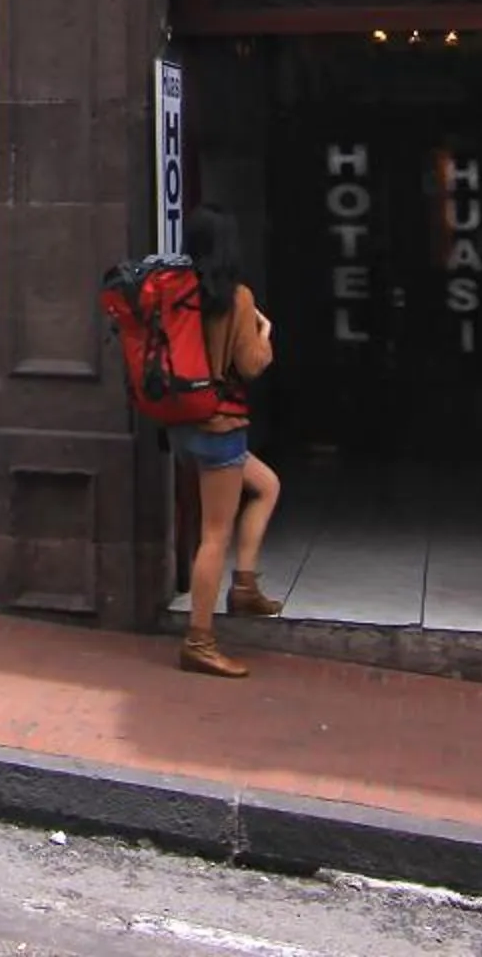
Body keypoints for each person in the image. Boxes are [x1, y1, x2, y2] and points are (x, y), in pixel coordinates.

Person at [176, 204, 283, 679]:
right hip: (221, 425)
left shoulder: (175, 292)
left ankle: (245, 587)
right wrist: (265, 333)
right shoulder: (235, 298)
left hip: (183, 424)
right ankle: (199, 640)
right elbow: (253, 365)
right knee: (214, 535)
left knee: (266, 485)